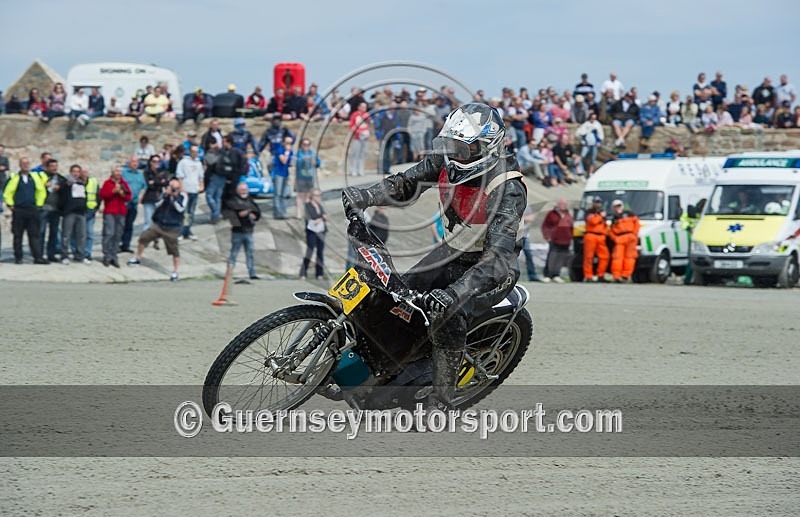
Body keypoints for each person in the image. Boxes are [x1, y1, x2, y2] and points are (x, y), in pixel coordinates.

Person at [342, 103, 527, 410]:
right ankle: (383, 370)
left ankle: (440, 401)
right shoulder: (446, 161)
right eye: (451, 145)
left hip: (491, 270)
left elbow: (495, 258)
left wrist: (456, 293)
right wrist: (365, 195)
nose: (455, 154)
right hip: (450, 253)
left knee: (447, 314)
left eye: (463, 148)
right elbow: (405, 185)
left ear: (488, 147)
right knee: (392, 297)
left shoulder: (506, 187)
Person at [127, 178, 186, 281]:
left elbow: (180, 209)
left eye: (175, 188)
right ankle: (137, 258)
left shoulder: (183, 196)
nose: (173, 190)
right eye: (171, 187)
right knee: (144, 237)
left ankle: (175, 272)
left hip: (172, 227)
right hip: (159, 225)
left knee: (174, 250)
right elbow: (157, 204)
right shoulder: (164, 195)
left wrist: (175, 197)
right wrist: (166, 196)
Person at [3, 157, 49, 264]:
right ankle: (18, 257)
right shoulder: (14, 177)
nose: (25, 165)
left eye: (27, 163)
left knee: (34, 235)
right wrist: (10, 204)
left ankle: (37, 257)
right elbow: (8, 192)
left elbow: (41, 191)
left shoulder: (35, 177)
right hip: (19, 210)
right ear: (20, 165)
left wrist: (39, 205)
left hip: (32, 210)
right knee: (18, 235)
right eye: (23, 163)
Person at [223, 182, 261, 280]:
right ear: (238, 191)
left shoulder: (251, 200)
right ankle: (229, 273)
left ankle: (252, 273)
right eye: (242, 190)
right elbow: (231, 216)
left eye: (245, 190)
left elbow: (257, 213)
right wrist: (243, 213)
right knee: (234, 253)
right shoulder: (233, 201)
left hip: (249, 231)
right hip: (237, 232)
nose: (244, 191)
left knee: (250, 253)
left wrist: (254, 216)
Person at [99, 165, 132, 267]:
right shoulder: (107, 183)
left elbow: (128, 197)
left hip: (121, 212)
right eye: (117, 171)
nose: (119, 173)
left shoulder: (124, 183)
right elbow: (103, 195)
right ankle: (107, 256)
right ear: (112, 172)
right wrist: (113, 191)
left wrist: (122, 193)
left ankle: (114, 256)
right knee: (109, 233)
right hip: (110, 211)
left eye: (120, 171)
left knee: (118, 234)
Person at [206, 135, 244, 223]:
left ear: (229, 142)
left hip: (231, 177)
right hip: (224, 177)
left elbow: (241, 165)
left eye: (224, 142)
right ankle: (221, 213)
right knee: (221, 196)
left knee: (226, 196)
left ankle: (218, 213)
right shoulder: (222, 151)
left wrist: (238, 176)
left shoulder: (236, 152)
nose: (222, 144)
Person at [58, 164, 89, 264]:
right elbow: (60, 194)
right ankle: (64, 255)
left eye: (77, 172)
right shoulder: (65, 182)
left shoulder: (82, 183)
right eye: (74, 171)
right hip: (69, 212)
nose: (75, 174)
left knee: (82, 235)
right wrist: (66, 186)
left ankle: (80, 255)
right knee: (66, 235)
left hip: (81, 212)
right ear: (70, 172)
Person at [541, 198, 574, 283]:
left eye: (564, 204)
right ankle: (547, 275)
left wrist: (571, 236)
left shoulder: (568, 214)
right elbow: (545, 225)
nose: (563, 205)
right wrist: (547, 236)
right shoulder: (551, 214)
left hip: (566, 240)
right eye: (561, 204)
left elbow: (571, 226)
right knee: (552, 258)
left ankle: (556, 275)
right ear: (558, 204)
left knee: (561, 259)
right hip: (554, 239)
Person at [175, 145, 204, 239]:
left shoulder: (199, 163)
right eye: (193, 151)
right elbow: (179, 175)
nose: (195, 153)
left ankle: (188, 231)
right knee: (185, 212)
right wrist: (181, 187)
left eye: (196, 152)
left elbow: (201, 176)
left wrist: (201, 186)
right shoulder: (183, 162)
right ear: (190, 152)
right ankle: (181, 231)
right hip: (186, 190)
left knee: (191, 212)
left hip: (194, 190)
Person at [39, 158, 65, 262]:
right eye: (52, 166)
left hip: (56, 209)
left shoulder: (61, 179)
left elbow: (65, 189)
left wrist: (60, 187)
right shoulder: (42, 177)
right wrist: (44, 185)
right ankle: (39, 254)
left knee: (54, 232)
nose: (54, 168)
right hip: (43, 208)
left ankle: (51, 254)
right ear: (47, 167)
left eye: (56, 166)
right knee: (41, 232)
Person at [609, 199, 640, 282]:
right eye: (615, 206)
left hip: (630, 237)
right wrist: (615, 239)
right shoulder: (614, 218)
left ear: (622, 206)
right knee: (617, 258)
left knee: (630, 257)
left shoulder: (630, 214)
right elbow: (611, 231)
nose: (617, 208)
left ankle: (625, 275)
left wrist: (634, 234)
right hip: (620, 238)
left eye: (619, 206)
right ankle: (616, 276)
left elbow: (637, 224)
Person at [299, 188, 328, 280]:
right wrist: (321, 218)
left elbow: (325, 216)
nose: (318, 197)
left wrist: (322, 218)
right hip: (312, 231)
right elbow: (311, 217)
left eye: (319, 195)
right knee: (310, 251)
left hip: (321, 230)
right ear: (312, 196)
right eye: (316, 195)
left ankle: (319, 273)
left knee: (320, 252)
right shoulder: (308, 205)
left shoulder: (319, 205)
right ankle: (303, 273)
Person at [120, 156, 146, 253]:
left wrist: (141, 197)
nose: (135, 163)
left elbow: (144, 186)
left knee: (129, 225)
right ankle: (118, 243)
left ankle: (126, 245)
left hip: (134, 203)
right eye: (133, 161)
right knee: (121, 224)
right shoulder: (124, 173)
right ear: (129, 163)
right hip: (124, 202)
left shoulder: (140, 174)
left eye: (136, 162)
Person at [582, 196, 610, 282]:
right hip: (591, 235)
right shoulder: (589, 212)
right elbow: (593, 221)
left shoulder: (602, 213)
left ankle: (600, 275)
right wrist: (600, 216)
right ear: (593, 203)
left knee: (605, 256)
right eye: (596, 202)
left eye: (598, 202)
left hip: (601, 236)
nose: (597, 204)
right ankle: (588, 276)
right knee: (588, 257)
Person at [141, 155, 169, 233]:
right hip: (149, 198)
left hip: (159, 197)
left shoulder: (162, 171)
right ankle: (144, 239)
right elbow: (149, 185)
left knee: (159, 220)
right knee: (148, 220)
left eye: (158, 161)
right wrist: (159, 182)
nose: (156, 163)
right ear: (150, 162)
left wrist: (155, 182)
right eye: (154, 161)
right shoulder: (146, 172)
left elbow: (166, 182)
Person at [294, 138, 320, 218]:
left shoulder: (313, 153)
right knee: (300, 195)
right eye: (304, 144)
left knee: (308, 196)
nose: (306, 146)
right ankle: (298, 214)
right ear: (301, 145)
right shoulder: (298, 154)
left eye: (308, 144)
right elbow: (295, 163)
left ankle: (307, 213)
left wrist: (315, 162)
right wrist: (303, 160)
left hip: (310, 177)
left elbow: (318, 163)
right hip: (300, 177)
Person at [519, 204, 543, 282]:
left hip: (525, 235)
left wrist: (522, 219)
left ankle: (532, 275)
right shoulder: (514, 203)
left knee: (529, 256)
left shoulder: (527, 206)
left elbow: (531, 218)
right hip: (515, 235)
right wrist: (525, 219)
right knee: (513, 257)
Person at [271, 135, 293, 219]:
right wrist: (287, 152)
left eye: (290, 143)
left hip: (285, 173)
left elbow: (290, 163)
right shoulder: (280, 150)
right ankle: (277, 213)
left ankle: (283, 213)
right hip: (278, 173)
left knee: (284, 194)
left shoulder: (290, 151)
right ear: (283, 143)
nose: (289, 145)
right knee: (278, 194)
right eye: (287, 143)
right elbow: (283, 161)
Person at [348, 102, 370, 176]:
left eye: (365, 107)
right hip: (357, 137)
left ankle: (361, 170)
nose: (364, 108)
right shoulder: (355, 115)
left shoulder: (367, 115)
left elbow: (368, 125)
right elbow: (351, 126)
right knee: (354, 154)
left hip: (365, 137)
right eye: (363, 107)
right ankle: (353, 170)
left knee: (362, 154)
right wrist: (358, 132)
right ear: (359, 107)